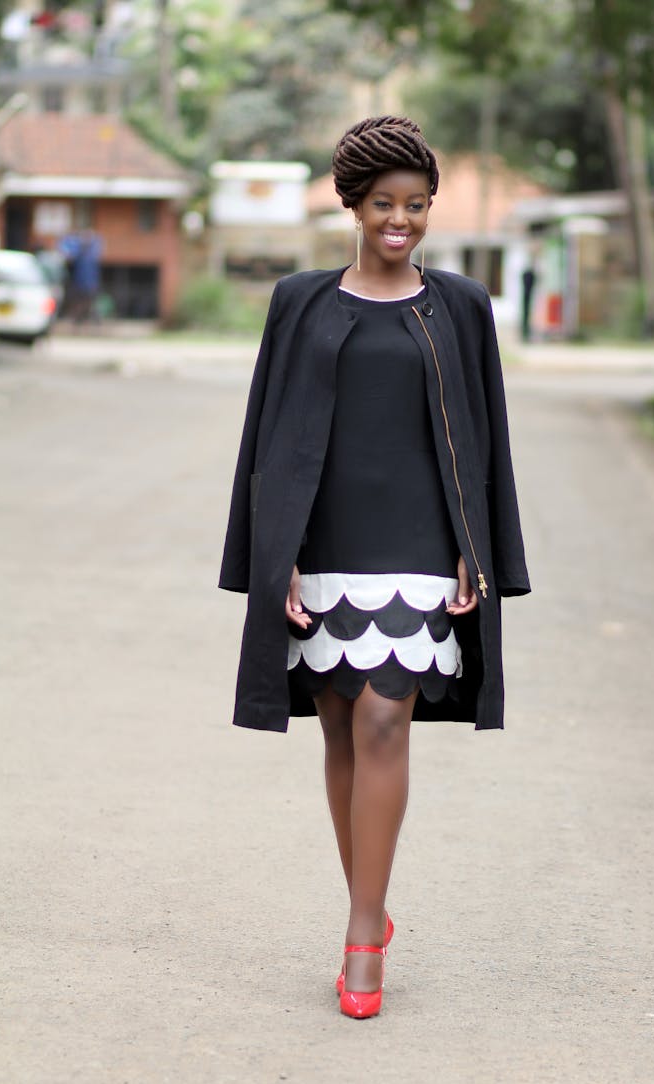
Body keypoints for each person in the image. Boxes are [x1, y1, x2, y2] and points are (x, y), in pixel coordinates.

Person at [219, 116, 530, 1020]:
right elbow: (267, 438)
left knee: (386, 719)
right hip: (325, 541)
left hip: (423, 547)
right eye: (386, 205)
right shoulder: (301, 301)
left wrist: (478, 550)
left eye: (417, 206)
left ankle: (361, 936)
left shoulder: (462, 305)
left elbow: (485, 441)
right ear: (352, 204)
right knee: (339, 729)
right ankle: (373, 905)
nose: (402, 221)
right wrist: (271, 554)